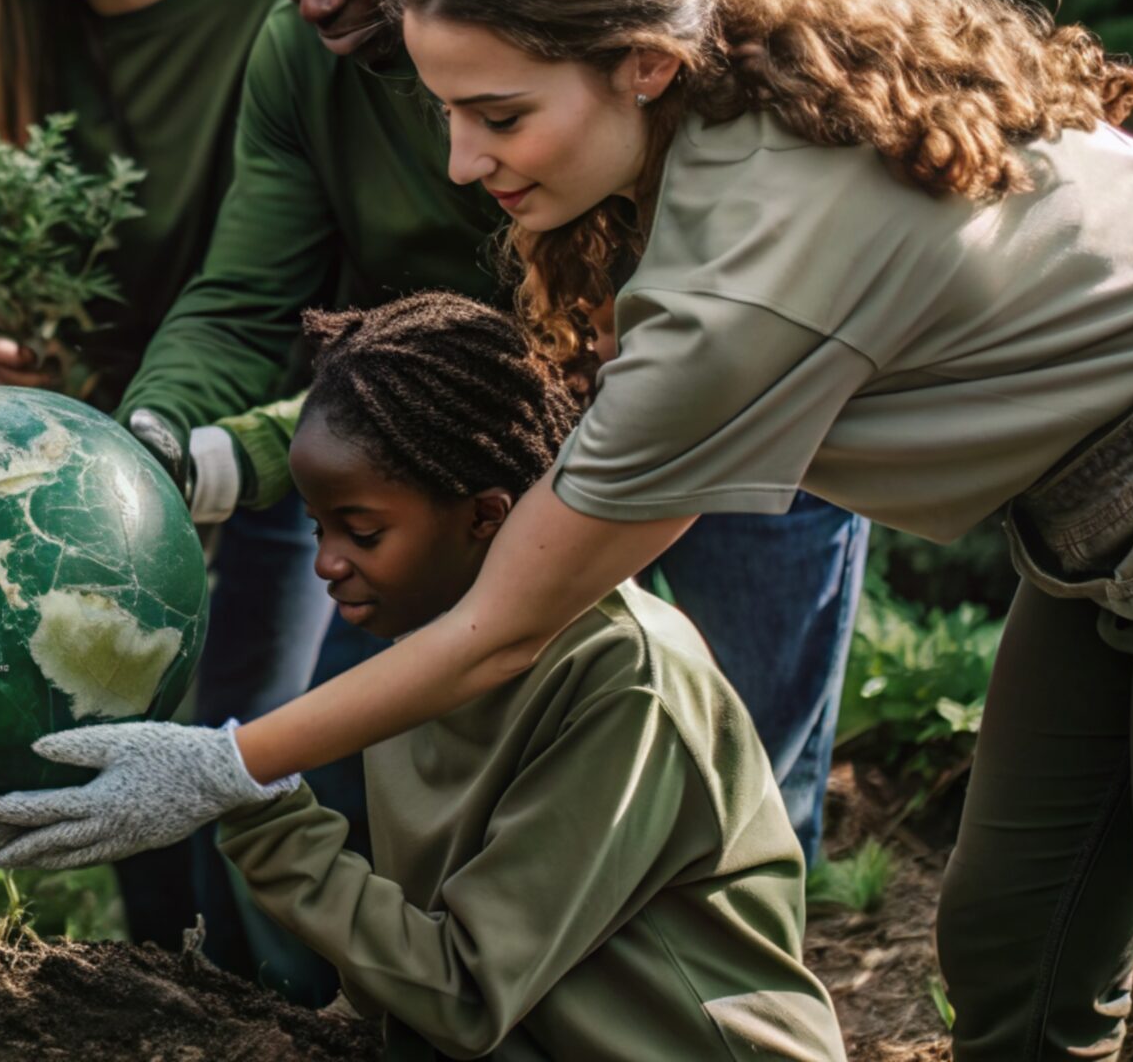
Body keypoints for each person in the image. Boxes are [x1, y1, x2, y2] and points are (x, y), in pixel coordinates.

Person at [0, 0, 1133, 1059]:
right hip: (1105, 513)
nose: (458, 161)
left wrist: (222, 764)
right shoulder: (725, 98)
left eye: (496, 114)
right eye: (444, 110)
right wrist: (213, 460)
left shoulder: (744, 276)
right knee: (1016, 945)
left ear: (642, 63)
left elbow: (506, 619)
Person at [114, 0, 870, 867]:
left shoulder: (621, 52)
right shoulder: (298, 69)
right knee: (356, 788)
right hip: (476, 454)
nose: (314, 2)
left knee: (745, 778)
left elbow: (610, 345)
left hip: (733, 422)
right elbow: (245, 295)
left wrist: (249, 457)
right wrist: (156, 436)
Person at [211, 290, 846, 1061]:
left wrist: (259, 807)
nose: (327, 564)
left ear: (485, 515)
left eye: (363, 531)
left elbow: (467, 993)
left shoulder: (625, 681)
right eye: (319, 527)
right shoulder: (413, 654)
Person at [0, 0, 289, 950]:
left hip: (260, 447)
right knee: (106, 748)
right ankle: (160, 996)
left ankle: (268, 1010)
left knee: (233, 745)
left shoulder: (263, 10)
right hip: (96, 466)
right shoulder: (28, 38)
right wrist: (30, 344)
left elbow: (280, 269)